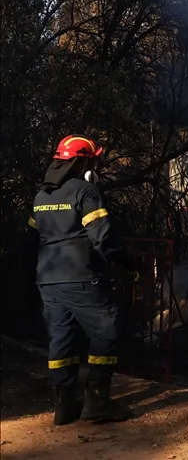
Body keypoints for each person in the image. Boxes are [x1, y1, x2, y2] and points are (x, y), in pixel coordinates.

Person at [31, 134, 132, 425]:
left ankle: (64, 406)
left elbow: (31, 239)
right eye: (91, 161)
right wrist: (125, 262)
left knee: (60, 339)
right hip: (83, 278)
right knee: (105, 332)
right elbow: (102, 236)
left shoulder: (40, 196)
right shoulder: (86, 191)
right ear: (81, 163)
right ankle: (98, 402)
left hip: (48, 280)